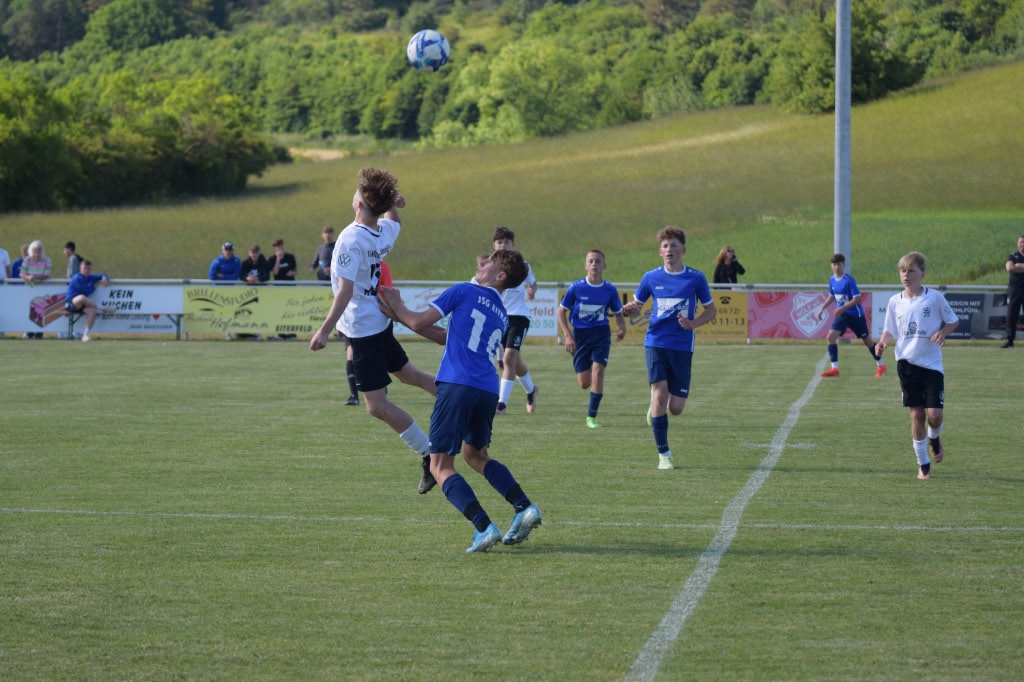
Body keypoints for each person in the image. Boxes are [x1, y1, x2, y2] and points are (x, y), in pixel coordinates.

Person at [378, 249, 543, 552]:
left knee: (440, 466)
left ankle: (483, 526)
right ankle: (524, 507)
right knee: (476, 456)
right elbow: (449, 336)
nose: (482, 263)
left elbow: (418, 323)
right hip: (487, 389)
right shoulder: (501, 313)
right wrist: (399, 315)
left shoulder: (464, 290)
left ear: (500, 275)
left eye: (489, 262)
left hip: (457, 384)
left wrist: (397, 304)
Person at [309, 167, 438, 495]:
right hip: (379, 320)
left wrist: (324, 330)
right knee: (408, 374)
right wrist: (393, 203)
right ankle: (464, 399)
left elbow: (345, 292)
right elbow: (395, 221)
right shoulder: (381, 231)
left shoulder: (350, 239)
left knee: (376, 406)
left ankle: (429, 456)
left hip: (364, 327)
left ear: (359, 203)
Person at [622, 226, 717, 470]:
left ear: (683, 250)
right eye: (665, 246)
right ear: (660, 252)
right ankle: (664, 454)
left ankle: (656, 405)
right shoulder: (650, 278)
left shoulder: (696, 278)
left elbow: (711, 310)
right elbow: (636, 306)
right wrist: (629, 310)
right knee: (660, 395)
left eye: (674, 245)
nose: (669, 249)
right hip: (656, 342)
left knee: (675, 408)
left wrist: (693, 323)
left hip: (682, 346)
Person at [874, 252, 960, 480]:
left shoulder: (934, 298)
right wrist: (882, 343)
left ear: (922, 274)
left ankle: (935, 437)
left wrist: (942, 333)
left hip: (932, 365)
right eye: (903, 271)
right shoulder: (895, 302)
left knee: (935, 415)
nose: (906, 275)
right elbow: (888, 330)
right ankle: (923, 465)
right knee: (917, 415)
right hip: (907, 364)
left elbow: (953, 321)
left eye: (911, 270)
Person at [556, 249, 627, 429]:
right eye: (591, 261)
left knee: (598, 372)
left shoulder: (609, 289)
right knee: (584, 383)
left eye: (598, 261)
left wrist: (622, 328)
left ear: (604, 266)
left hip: (601, 334)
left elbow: (618, 312)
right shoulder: (576, 287)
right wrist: (567, 335)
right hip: (580, 336)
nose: (594, 264)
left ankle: (592, 417)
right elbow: (561, 311)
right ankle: (591, 409)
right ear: (585, 265)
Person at [491, 227, 539, 415]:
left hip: (518, 317)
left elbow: (532, 283)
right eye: (500, 242)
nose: (503, 245)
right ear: (494, 245)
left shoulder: (522, 265)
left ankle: (501, 404)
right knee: (515, 362)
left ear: (513, 244)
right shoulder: (490, 266)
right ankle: (531, 390)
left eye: (507, 242)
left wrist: (532, 291)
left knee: (509, 358)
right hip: (497, 316)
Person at [815, 253, 886, 378]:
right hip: (842, 315)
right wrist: (822, 308)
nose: (837, 267)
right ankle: (835, 369)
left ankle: (881, 365)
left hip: (855, 315)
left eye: (839, 264)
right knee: (831, 337)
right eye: (834, 264)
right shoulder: (832, 280)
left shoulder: (848, 280)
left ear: (844, 265)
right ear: (831, 266)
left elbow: (857, 298)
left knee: (867, 341)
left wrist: (842, 308)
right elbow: (832, 295)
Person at [65, 260, 110, 342]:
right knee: (81, 297)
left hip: (82, 305)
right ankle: (103, 308)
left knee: (92, 311)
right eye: (85, 268)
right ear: (80, 268)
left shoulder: (91, 277)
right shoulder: (77, 278)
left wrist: (104, 278)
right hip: (71, 303)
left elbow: (103, 275)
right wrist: (94, 287)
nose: (87, 270)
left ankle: (86, 335)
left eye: (89, 268)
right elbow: (86, 291)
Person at [20, 241, 52, 339]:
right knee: (29, 310)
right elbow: (22, 274)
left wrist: (35, 277)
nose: (37, 251)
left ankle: (39, 332)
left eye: (39, 249)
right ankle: (29, 331)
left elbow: (47, 274)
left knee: (41, 310)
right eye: (35, 249)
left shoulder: (47, 260)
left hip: (42, 290)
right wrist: (28, 277)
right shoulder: (27, 260)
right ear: (31, 250)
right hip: (29, 289)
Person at [1001, 234, 1024, 348]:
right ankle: (1010, 341)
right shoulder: (1012, 256)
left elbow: (1015, 267)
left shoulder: (1017, 260)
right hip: (1014, 289)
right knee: (1011, 315)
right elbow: (1010, 268)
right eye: (1021, 242)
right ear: (1017, 244)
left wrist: (1018, 266)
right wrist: (1017, 266)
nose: (1023, 244)